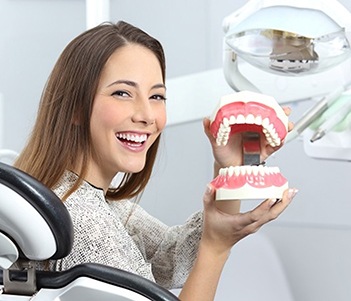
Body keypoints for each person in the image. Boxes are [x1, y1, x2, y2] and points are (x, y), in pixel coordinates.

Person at [14, 20, 297, 301]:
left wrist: (229, 171)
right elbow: (196, 254)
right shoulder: (84, 221)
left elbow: (170, 257)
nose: (147, 115)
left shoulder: (90, 198)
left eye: (157, 96)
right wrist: (216, 249)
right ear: (75, 107)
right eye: (122, 93)